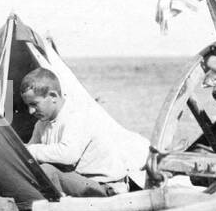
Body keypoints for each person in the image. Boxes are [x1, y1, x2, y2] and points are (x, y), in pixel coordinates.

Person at [20, 66, 152, 197]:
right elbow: (29, 155)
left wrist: (31, 150)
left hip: (104, 186)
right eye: (28, 106)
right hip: (80, 181)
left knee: (47, 171)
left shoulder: (76, 116)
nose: (31, 111)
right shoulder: (41, 124)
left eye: (34, 104)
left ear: (53, 96)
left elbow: (67, 155)